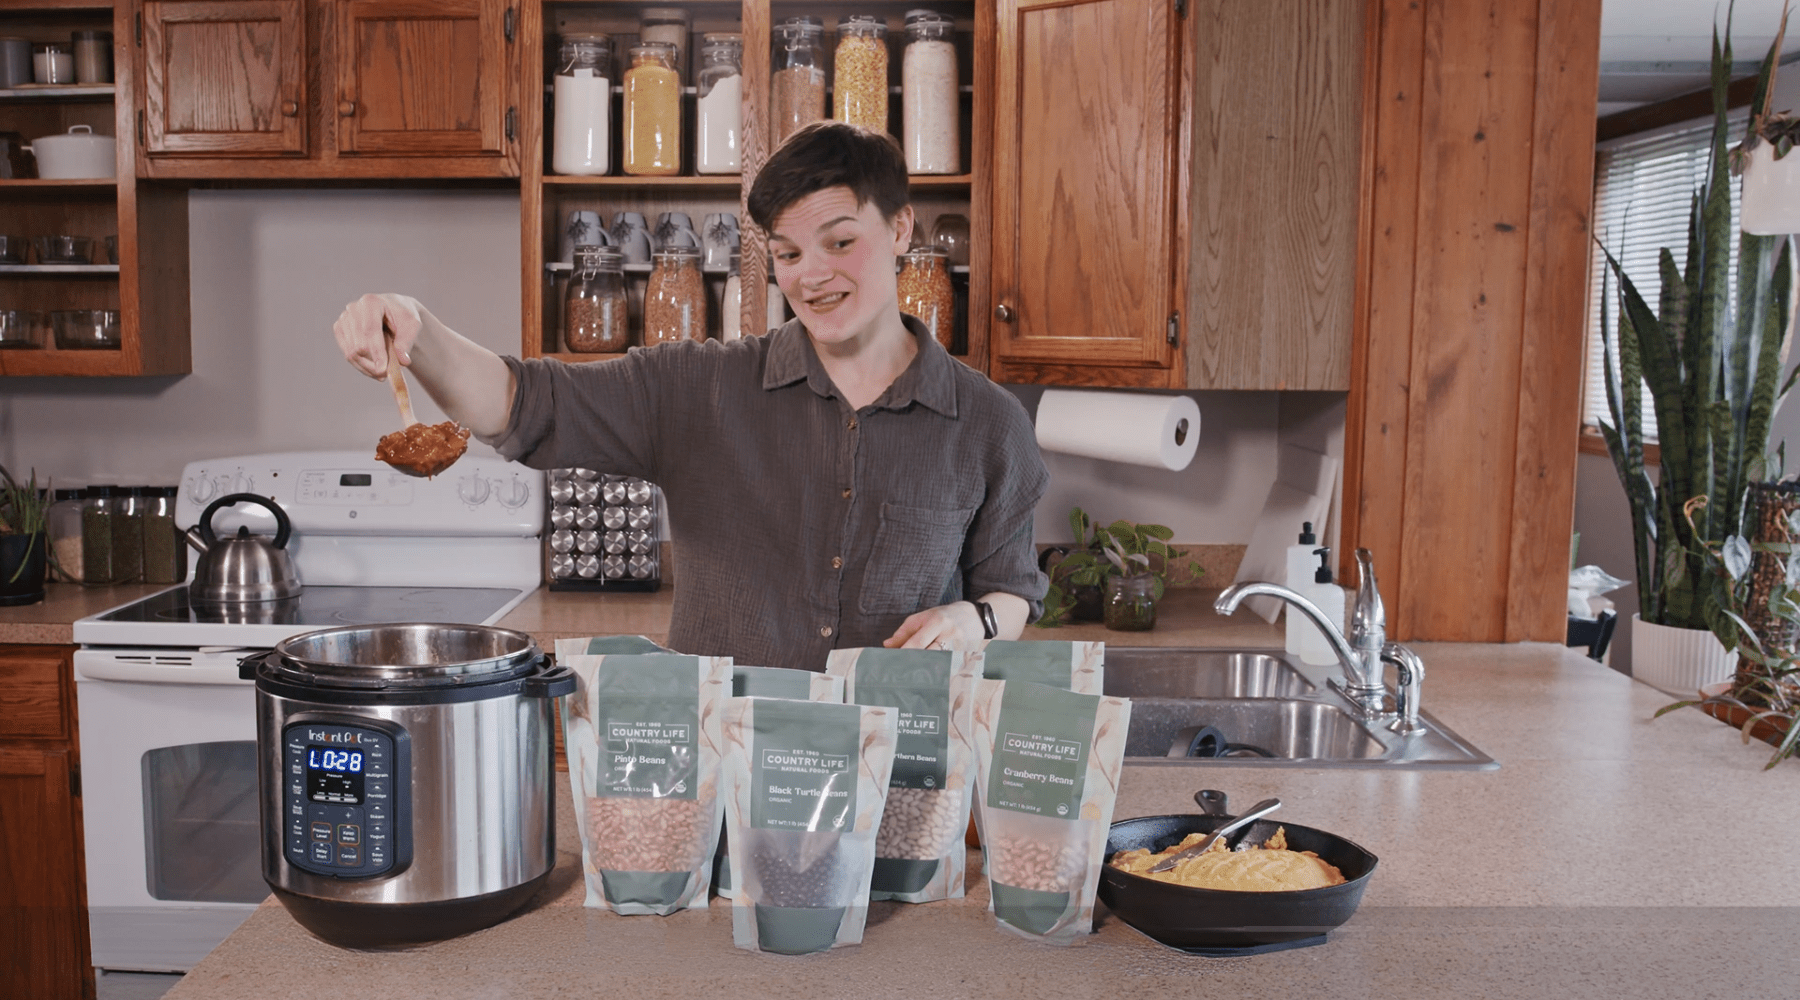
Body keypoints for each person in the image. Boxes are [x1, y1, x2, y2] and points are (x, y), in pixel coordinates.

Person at [332, 122, 1048, 670]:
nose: (812, 276)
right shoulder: (697, 389)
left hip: (899, 788)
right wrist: (414, 326)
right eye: (790, 255)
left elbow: (1012, 591)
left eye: (839, 242)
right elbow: (521, 403)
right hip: (720, 792)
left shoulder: (989, 424)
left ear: (898, 229)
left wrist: (974, 622)